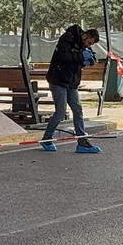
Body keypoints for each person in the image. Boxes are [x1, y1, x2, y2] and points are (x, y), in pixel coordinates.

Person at [40, 25, 102, 153]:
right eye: (89, 42)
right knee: (60, 112)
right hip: (58, 80)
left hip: (72, 82)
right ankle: (47, 138)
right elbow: (63, 57)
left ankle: (82, 142)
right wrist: (81, 57)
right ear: (85, 36)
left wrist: (89, 60)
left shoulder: (83, 45)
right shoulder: (67, 38)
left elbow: (87, 56)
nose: (88, 45)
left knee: (78, 110)